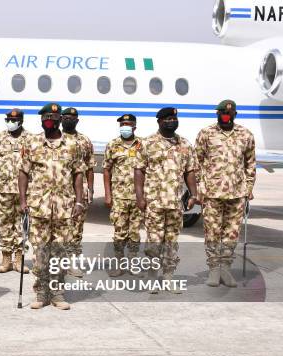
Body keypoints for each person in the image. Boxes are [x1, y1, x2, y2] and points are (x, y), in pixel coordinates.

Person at [18, 103, 85, 310]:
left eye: (52, 117)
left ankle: (57, 294)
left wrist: (80, 201)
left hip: (64, 208)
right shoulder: (32, 143)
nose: (49, 120)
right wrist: (22, 200)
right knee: (40, 254)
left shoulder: (73, 145)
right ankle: (40, 294)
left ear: (59, 120)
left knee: (60, 253)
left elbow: (78, 175)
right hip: (38, 207)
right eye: (45, 117)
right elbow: (23, 173)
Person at [134, 107, 198, 294]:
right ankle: (152, 277)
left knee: (172, 242)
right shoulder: (146, 143)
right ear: (159, 121)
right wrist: (139, 197)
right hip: (154, 202)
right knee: (153, 242)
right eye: (168, 119)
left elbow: (190, 171)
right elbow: (139, 171)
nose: (171, 121)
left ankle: (169, 277)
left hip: (175, 203)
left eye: (174, 119)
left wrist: (194, 194)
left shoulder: (184, 144)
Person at [196, 100, 256, 287]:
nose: (225, 116)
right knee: (212, 233)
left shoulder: (246, 135)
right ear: (217, 115)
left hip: (237, 193)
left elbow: (250, 164)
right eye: (221, 113)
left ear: (234, 115)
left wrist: (248, 188)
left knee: (231, 233)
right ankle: (214, 269)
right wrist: (200, 188)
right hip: (212, 194)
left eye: (228, 114)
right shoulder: (206, 133)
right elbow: (196, 162)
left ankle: (226, 269)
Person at [0, 108, 32, 274]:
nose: (11, 122)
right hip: (4, 189)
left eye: (14, 120)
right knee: (4, 223)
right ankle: (6, 258)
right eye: (8, 119)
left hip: (24, 192)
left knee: (23, 225)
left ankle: (19, 258)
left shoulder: (31, 140)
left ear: (21, 121)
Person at [103, 114, 144, 277]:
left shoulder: (142, 145)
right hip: (119, 197)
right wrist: (108, 194)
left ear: (134, 126)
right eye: (122, 124)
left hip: (137, 197)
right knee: (119, 232)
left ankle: (133, 262)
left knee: (134, 232)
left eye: (127, 124)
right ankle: (119, 263)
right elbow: (106, 170)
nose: (124, 127)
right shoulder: (113, 145)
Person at [61, 107, 96, 277]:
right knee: (57, 227)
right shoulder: (54, 137)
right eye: (66, 117)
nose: (69, 120)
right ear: (61, 119)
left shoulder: (84, 141)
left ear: (77, 120)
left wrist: (90, 188)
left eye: (72, 118)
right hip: (59, 190)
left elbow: (89, 167)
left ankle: (72, 262)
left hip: (79, 190)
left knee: (76, 228)